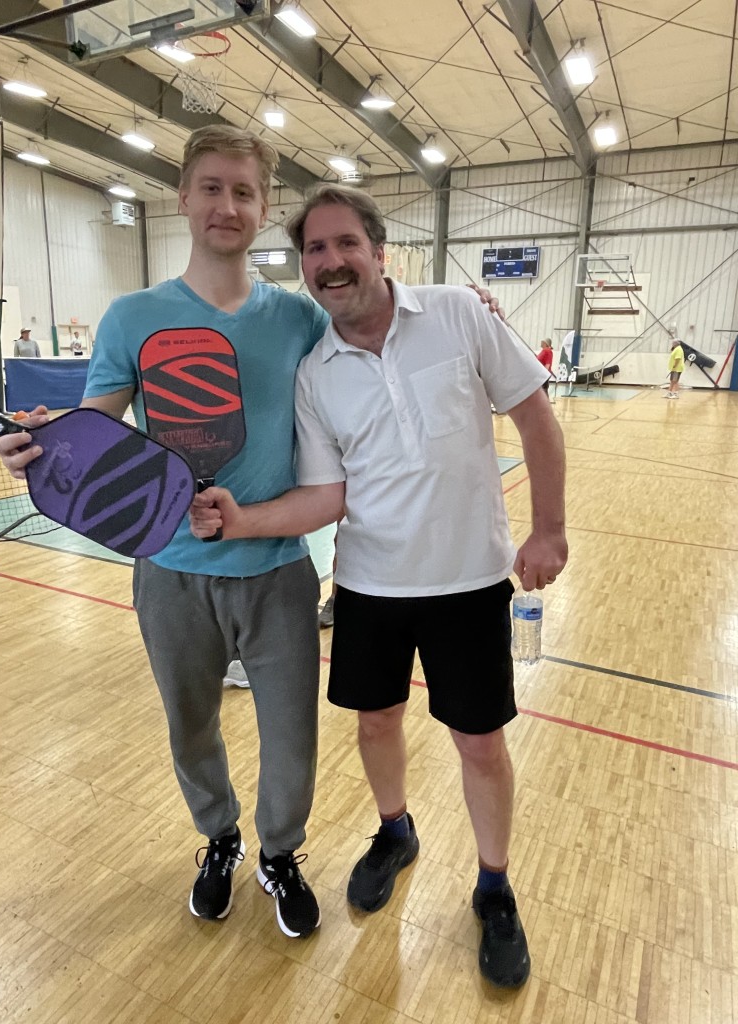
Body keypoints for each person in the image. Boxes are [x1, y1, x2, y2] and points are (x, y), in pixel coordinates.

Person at [189, 184, 568, 989]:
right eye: (315, 251)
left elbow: (535, 416)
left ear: (379, 249)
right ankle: (395, 831)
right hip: (368, 585)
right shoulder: (316, 370)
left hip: (468, 582)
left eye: (344, 244)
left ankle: (494, 887)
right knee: (375, 726)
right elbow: (330, 496)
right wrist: (239, 519)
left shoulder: (460, 316)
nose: (331, 263)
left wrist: (548, 528)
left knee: (480, 745)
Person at [0, 125, 334, 940]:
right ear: (182, 198)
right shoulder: (132, 316)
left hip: (279, 569)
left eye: (244, 191)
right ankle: (218, 839)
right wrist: (34, 441)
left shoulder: (301, 320)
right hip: (170, 573)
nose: (227, 205)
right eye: (211, 187)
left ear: (263, 207)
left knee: (293, 739)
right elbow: (90, 426)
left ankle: (279, 853)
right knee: (190, 726)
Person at [667, 333, 685, 398]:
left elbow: (678, 358)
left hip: (677, 368)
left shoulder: (679, 349)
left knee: (675, 381)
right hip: (674, 368)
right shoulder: (676, 349)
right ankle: (669, 393)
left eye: (673, 342)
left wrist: (674, 366)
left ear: (676, 343)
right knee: (672, 380)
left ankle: (676, 394)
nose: (672, 343)